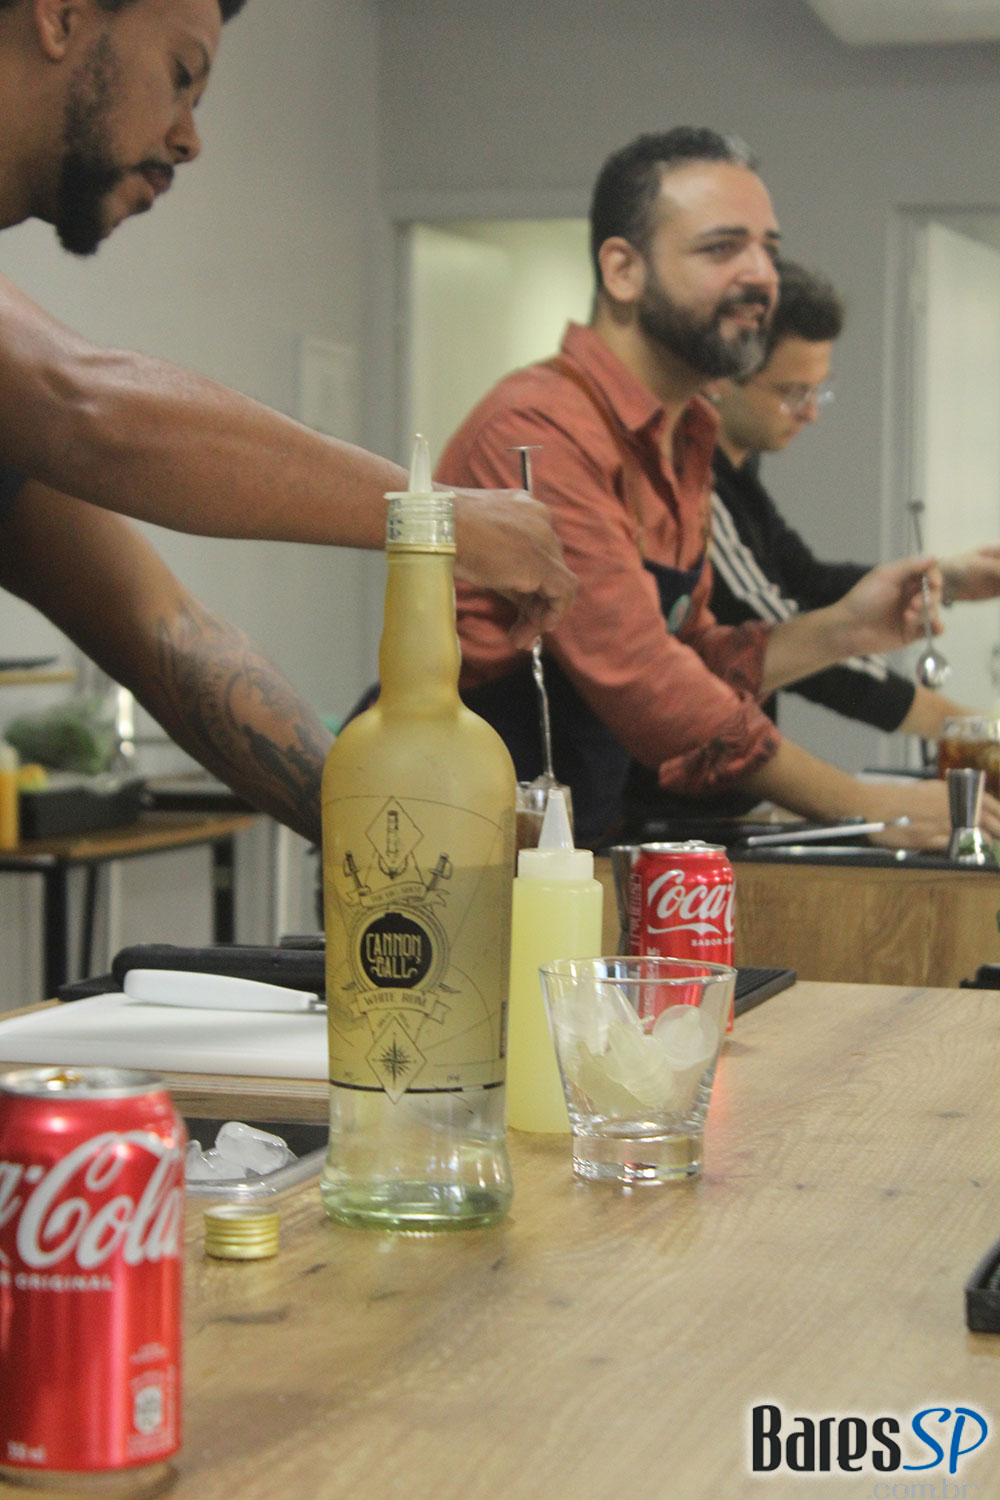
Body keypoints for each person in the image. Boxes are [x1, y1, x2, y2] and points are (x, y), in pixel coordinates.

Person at [0, 0, 575, 844]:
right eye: (181, 76)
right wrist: (437, 518)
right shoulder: (49, 400)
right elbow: (89, 407)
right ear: (60, 17)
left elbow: (169, 635)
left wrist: (404, 841)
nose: (190, 139)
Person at [435, 126, 1000, 851]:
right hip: (453, 846)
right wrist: (873, 808)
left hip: (567, 841)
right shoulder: (542, 428)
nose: (762, 275)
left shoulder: (686, 432)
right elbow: (650, 685)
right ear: (623, 270)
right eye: (722, 248)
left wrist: (847, 628)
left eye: (769, 248)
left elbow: (694, 653)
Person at [708, 259, 1000, 739]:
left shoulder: (739, 474)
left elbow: (806, 580)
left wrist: (946, 579)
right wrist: (970, 730)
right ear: (722, 376)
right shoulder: (699, 484)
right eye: (793, 392)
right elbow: (779, 635)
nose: (810, 413)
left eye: (818, 391)